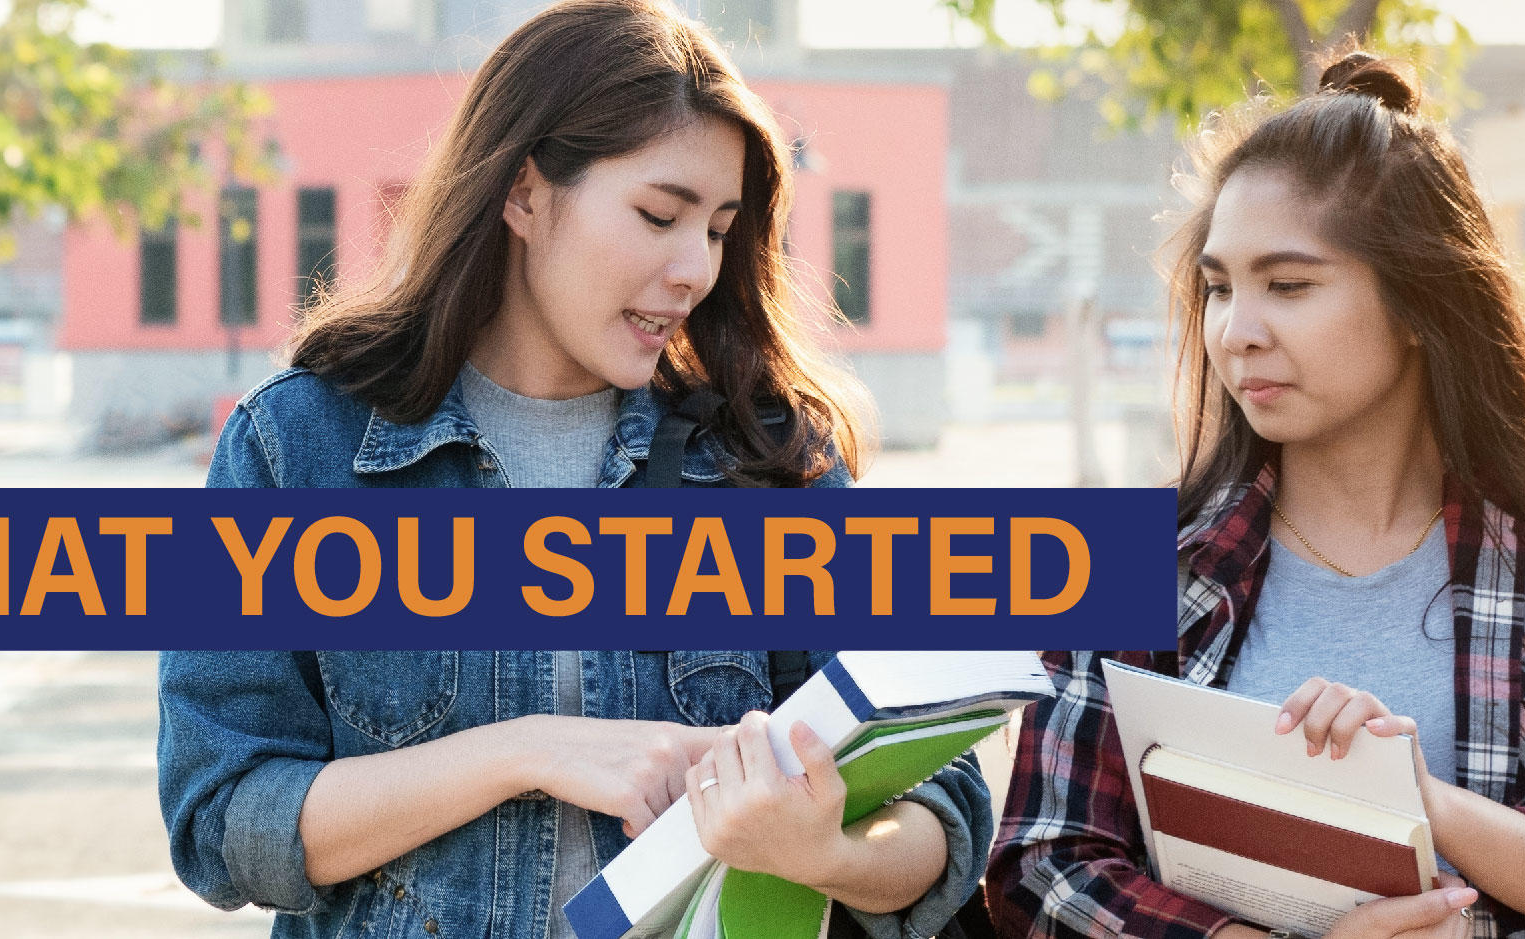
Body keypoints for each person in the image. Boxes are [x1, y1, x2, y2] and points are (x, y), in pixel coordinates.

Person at [159, 3, 986, 937]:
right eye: (657, 214)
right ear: (522, 193)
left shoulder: (764, 460)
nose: (694, 270)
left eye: (718, 229)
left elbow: (941, 810)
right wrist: (525, 751)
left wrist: (828, 853)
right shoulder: (299, 446)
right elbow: (223, 821)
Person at [988, 53, 1525, 939]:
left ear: (1419, 304)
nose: (1237, 332)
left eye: (1288, 286)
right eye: (1220, 287)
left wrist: (1419, 801)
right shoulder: (1135, 553)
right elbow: (1041, 866)